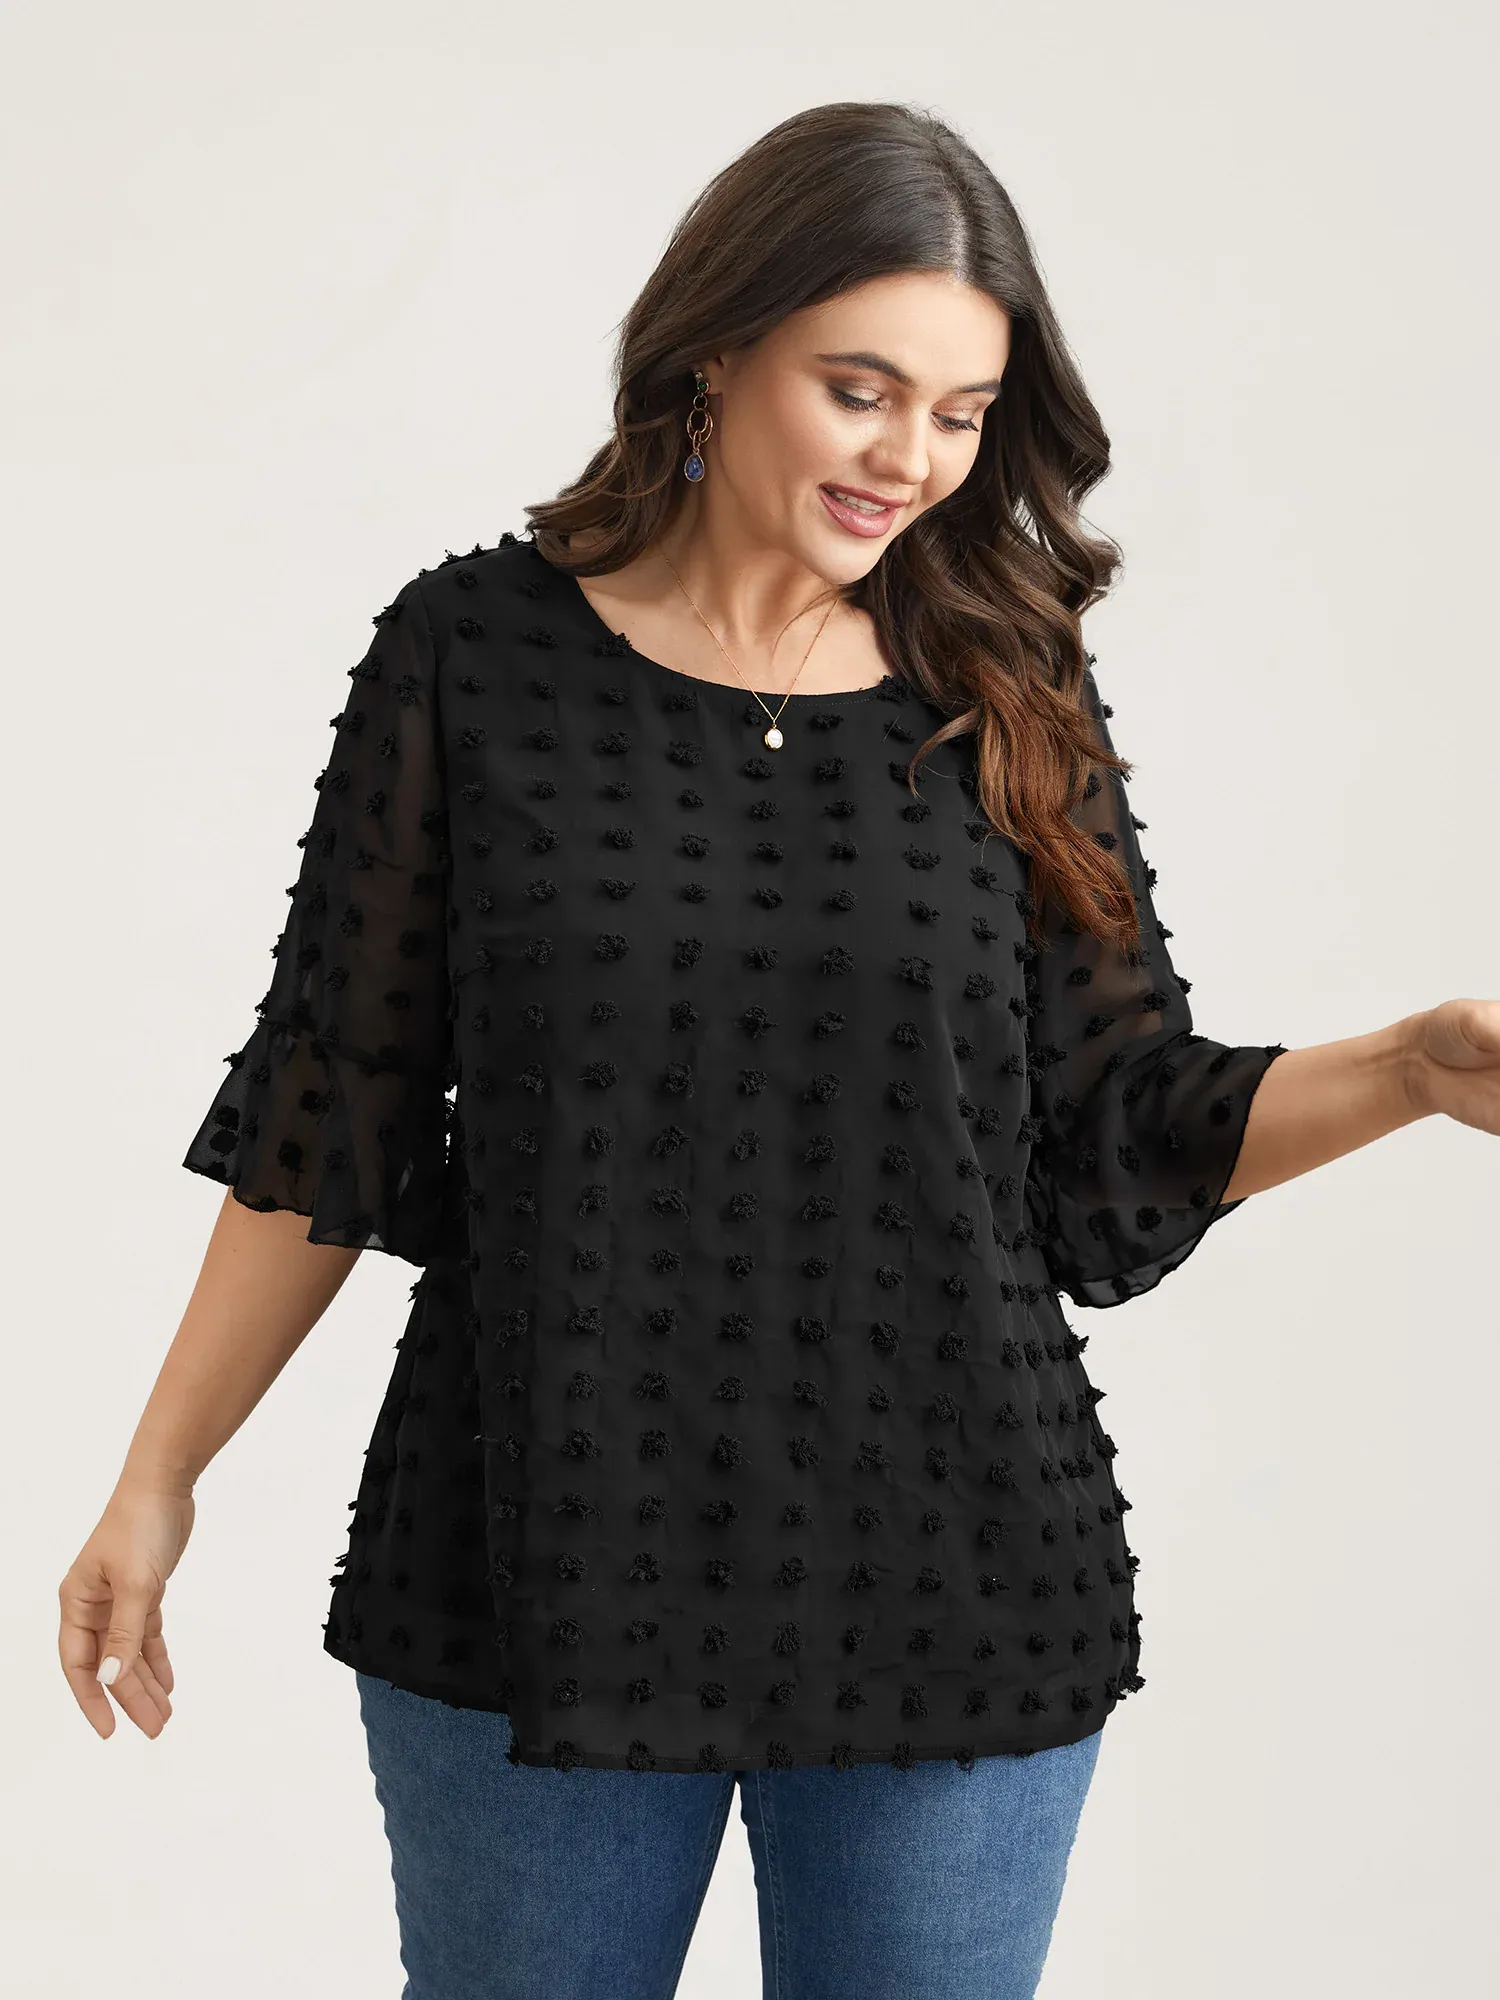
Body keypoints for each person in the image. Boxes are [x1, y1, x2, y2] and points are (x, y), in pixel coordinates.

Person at [58, 100, 1499, 2000]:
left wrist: (1412, 1069)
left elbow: (1119, 1128)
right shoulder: (469, 657)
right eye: (860, 390)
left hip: (956, 1580)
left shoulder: (1007, 680)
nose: (912, 458)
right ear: (716, 351)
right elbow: (331, 1109)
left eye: (961, 413)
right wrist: (159, 1474)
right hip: (528, 1569)